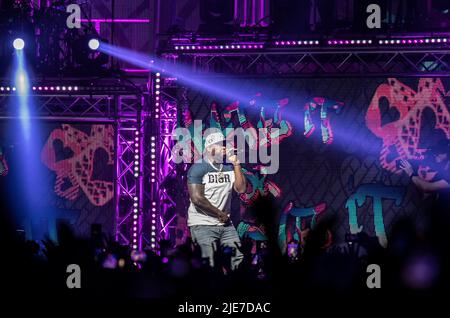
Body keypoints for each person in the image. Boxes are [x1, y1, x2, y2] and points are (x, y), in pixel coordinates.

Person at [187, 131, 247, 270]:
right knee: (209, 264)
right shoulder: (198, 168)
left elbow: (241, 189)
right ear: (209, 148)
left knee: (238, 259)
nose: (223, 148)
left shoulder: (228, 168)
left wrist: (236, 164)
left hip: (225, 224)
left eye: (224, 145)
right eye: (219, 145)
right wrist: (219, 213)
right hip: (202, 224)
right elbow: (197, 199)